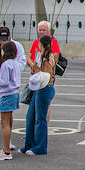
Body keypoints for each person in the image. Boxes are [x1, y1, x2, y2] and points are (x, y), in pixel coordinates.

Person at [22, 21, 61, 156]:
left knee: (40, 119)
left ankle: (40, 147)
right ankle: (29, 143)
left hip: (44, 88)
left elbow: (48, 75)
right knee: (30, 116)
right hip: (39, 88)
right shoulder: (42, 56)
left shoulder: (47, 58)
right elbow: (29, 57)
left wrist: (37, 71)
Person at [0, 39, 24, 161]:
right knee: (9, 121)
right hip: (14, 93)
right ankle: (6, 148)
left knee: (4, 123)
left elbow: (4, 82)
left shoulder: (5, 64)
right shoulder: (16, 63)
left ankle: (6, 151)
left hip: (7, 94)